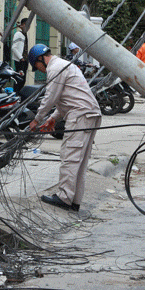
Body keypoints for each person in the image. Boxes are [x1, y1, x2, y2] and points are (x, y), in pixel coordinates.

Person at [28, 44, 101, 212]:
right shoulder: (65, 65)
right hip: (90, 114)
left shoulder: (55, 69)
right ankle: (74, 200)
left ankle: (64, 197)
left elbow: (50, 98)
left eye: (37, 66)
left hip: (81, 115)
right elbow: (66, 99)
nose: (39, 70)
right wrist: (53, 118)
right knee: (80, 160)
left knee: (70, 156)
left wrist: (37, 120)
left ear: (40, 59)